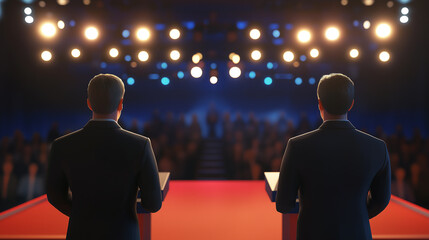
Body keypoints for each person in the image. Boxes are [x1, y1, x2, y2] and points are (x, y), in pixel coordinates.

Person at [47, 74, 162, 240]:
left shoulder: (61, 145)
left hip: (80, 233)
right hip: (124, 234)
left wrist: (82, 213)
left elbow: (55, 196)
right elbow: (152, 204)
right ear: (121, 103)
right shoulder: (140, 144)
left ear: (89, 103)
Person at [276, 73, 391, 240]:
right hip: (358, 233)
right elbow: (381, 201)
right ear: (351, 104)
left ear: (320, 103)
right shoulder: (378, 147)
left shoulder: (297, 145)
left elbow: (284, 204)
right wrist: (354, 216)